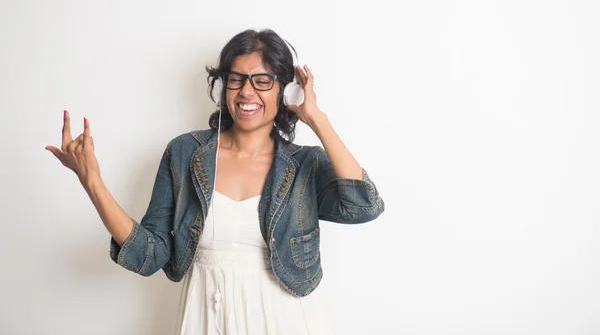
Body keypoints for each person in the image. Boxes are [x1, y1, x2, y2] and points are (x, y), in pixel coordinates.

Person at [45, 28, 385, 334]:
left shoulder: (305, 165)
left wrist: (317, 119)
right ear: (223, 86)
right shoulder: (184, 153)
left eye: (262, 81)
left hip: (288, 319)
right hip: (205, 318)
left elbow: (364, 206)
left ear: (285, 90)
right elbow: (148, 256)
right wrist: (93, 183)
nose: (246, 92)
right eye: (236, 79)